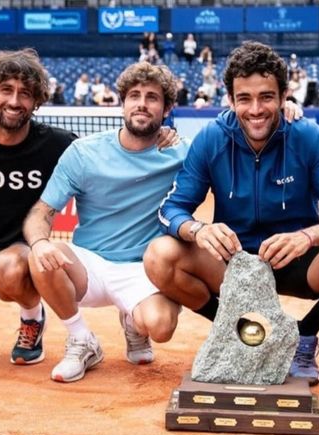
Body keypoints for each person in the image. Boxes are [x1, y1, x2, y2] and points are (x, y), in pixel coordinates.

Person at [144, 41, 319, 386]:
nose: (255, 109)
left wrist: (307, 237)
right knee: (159, 256)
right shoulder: (211, 139)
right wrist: (197, 230)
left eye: (266, 97)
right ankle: (233, 328)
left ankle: (302, 337)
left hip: (298, 260)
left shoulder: (309, 137)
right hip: (234, 263)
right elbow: (171, 210)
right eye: (244, 98)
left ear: (284, 95)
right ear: (230, 99)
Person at [22, 62, 192, 383]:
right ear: (122, 102)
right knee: (38, 256)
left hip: (143, 268)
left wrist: (287, 108)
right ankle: (81, 339)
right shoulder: (83, 152)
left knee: (161, 326)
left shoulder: (182, 152)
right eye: (134, 95)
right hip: (90, 266)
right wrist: (41, 242)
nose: (142, 103)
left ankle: (133, 323)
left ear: (167, 107)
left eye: (153, 97)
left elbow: (231, 141)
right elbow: (41, 213)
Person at [0, 48, 77, 364]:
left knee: (11, 268)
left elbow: (109, 151)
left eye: (25, 94)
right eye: (6, 90)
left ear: (37, 101)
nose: (15, 101)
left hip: (19, 254)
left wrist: (160, 138)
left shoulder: (57, 144)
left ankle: (31, 319)